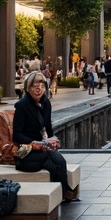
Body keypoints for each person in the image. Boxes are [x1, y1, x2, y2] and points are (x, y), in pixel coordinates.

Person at [12, 72, 73, 200]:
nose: (38, 88)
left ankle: (62, 193)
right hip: (26, 154)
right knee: (52, 160)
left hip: (43, 150)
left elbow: (48, 129)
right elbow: (16, 136)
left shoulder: (46, 104)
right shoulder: (22, 106)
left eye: (41, 85)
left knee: (59, 161)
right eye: (34, 86)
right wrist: (34, 143)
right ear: (28, 89)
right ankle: (63, 193)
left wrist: (52, 141)